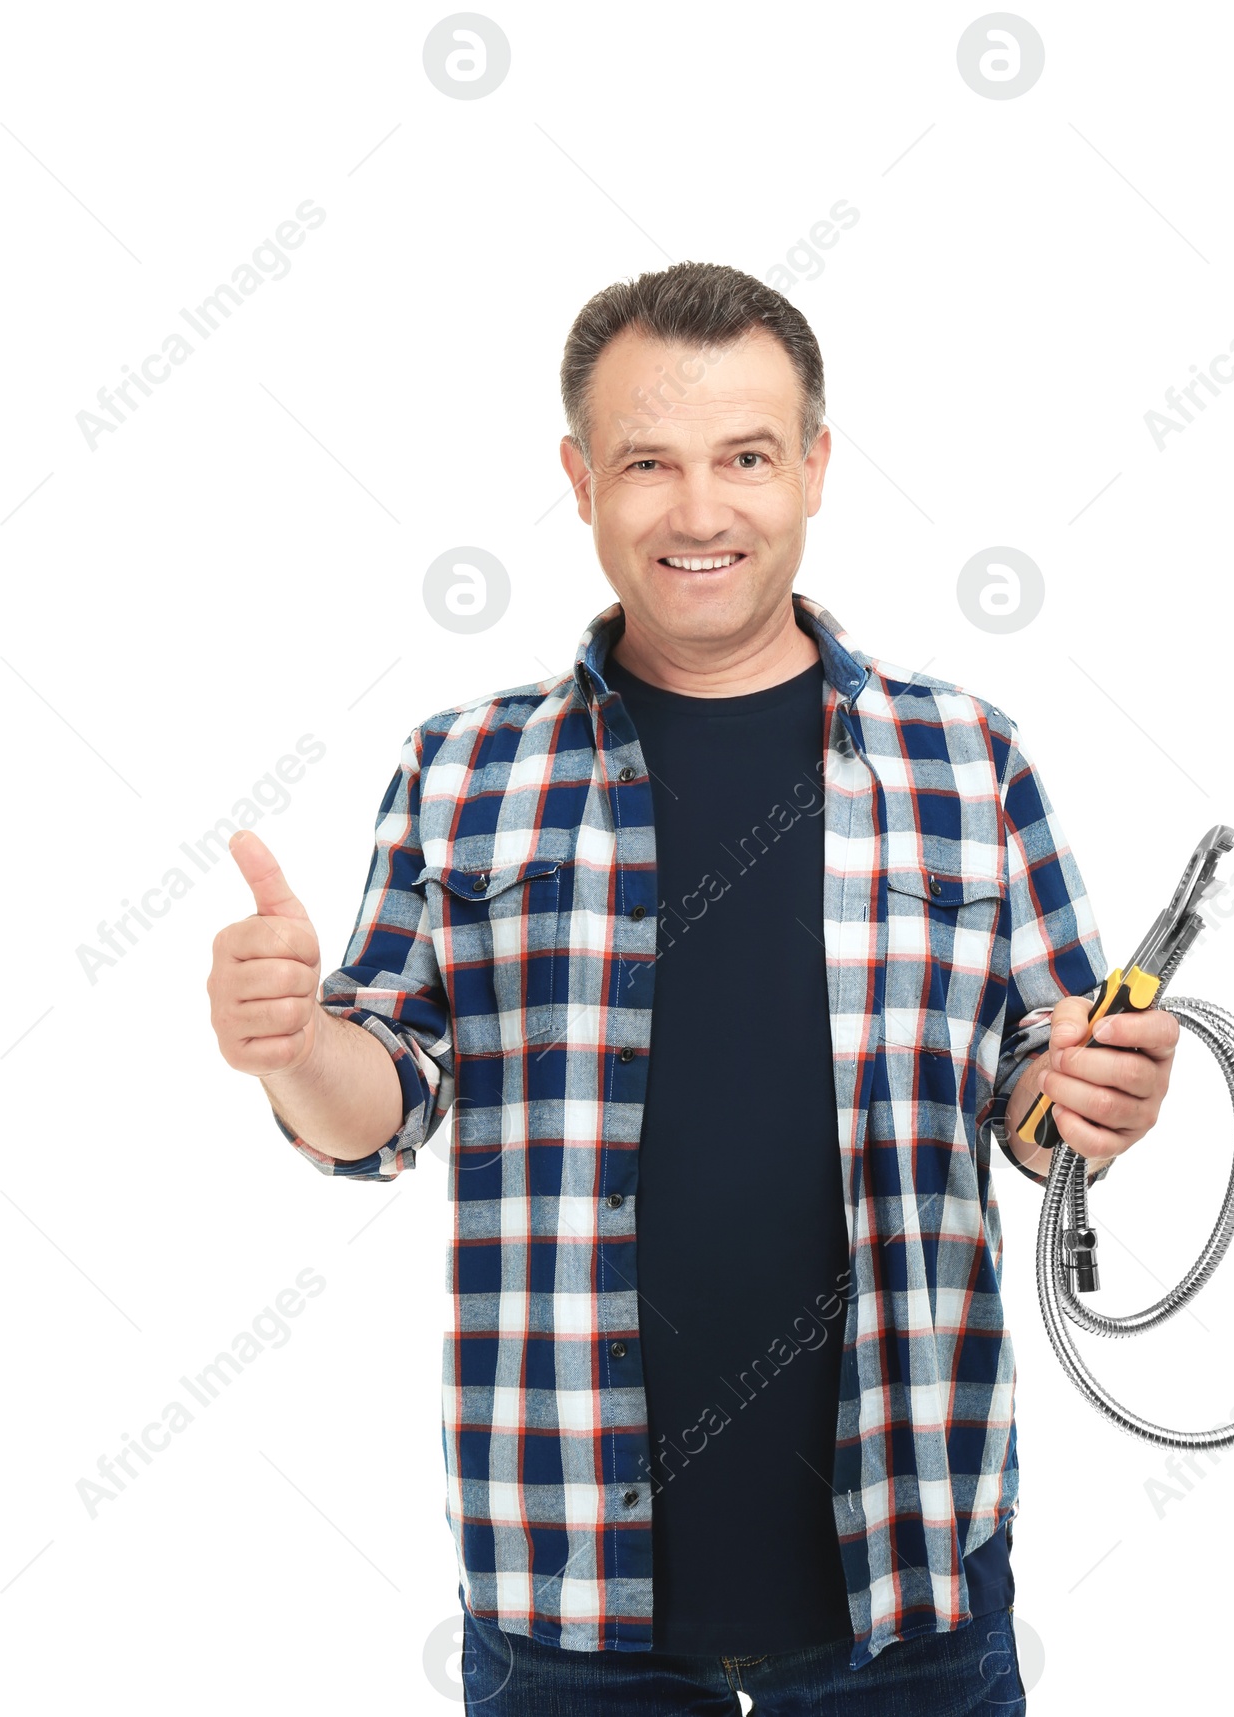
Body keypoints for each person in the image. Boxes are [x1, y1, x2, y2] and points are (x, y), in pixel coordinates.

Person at [206, 262, 1181, 1715]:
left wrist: (1093, 1097)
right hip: (561, 1589)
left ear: (816, 468)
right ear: (580, 479)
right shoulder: (464, 770)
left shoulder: (972, 762)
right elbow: (378, 1110)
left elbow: (1037, 1110)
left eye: (745, 457)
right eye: (649, 463)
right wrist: (292, 1044)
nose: (702, 511)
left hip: (910, 1586)